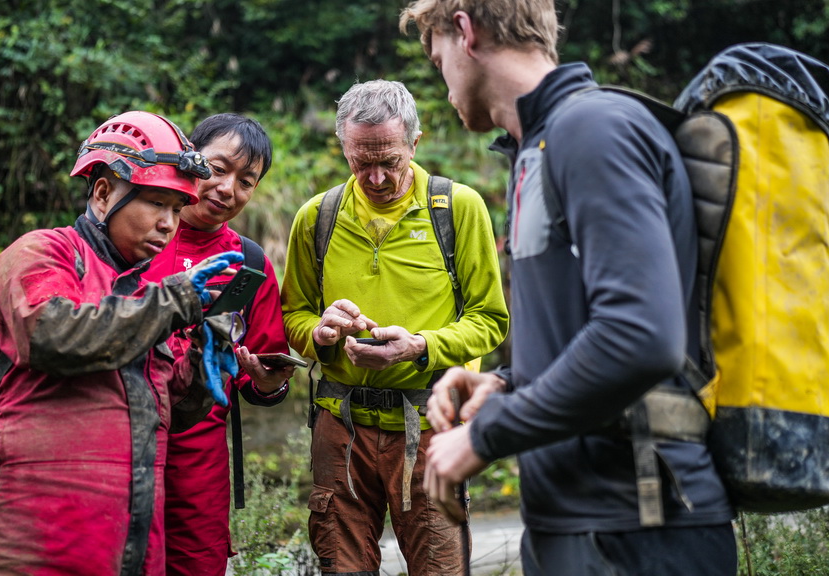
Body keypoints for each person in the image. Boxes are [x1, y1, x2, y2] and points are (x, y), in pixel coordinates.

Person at [400, 2, 738, 575]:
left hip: (638, 529)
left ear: (465, 30)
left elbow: (641, 335)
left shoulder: (592, 130)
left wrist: (487, 435)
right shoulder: (537, 148)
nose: (445, 80)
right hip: (578, 522)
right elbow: (586, 329)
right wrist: (503, 384)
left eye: (438, 60)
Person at [0, 111, 242, 575]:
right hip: (34, 548)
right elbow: (49, 333)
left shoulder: (142, 293)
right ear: (103, 192)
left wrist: (200, 363)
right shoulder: (42, 252)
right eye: (157, 203)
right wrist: (175, 300)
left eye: (177, 209)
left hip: (130, 548)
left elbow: (165, 408)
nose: (169, 224)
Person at [280, 79, 509, 576]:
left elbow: (490, 321)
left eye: (390, 160)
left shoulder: (458, 209)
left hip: (429, 427)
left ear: (415, 143)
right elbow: (291, 316)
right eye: (361, 162)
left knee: (441, 568)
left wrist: (421, 347)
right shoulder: (316, 217)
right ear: (343, 147)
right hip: (339, 428)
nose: (377, 177)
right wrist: (320, 335)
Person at [141, 113, 295, 576]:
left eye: (246, 181)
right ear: (189, 158)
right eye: (217, 168)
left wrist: (268, 382)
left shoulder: (248, 263)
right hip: (122, 434)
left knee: (198, 564)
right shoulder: (134, 234)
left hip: (201, 450)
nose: (228, 188)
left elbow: (258, 371)